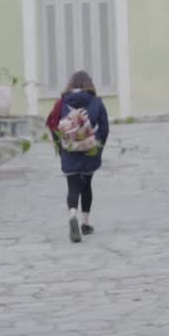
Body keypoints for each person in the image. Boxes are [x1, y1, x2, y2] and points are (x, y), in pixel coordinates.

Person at [51, 70, 109, 243]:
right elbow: (104, 129)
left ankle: (72, 216)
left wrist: (60, 146)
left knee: (73, 187)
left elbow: (54, 126)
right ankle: (85, 223)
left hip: (69, 150)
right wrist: (98, 146)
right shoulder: (97, 101)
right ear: (89, 83)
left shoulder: (61, 102)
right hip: (89, 150)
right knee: (87, 186)